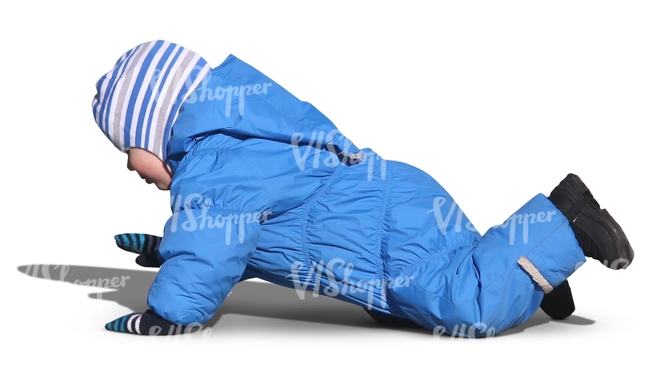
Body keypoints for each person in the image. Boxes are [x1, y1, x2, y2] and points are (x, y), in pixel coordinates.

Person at [92, 40, 634, 337]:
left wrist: (171, 310)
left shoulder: (211, 168)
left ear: (154, 126)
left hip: (380, 233)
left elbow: (214, 243)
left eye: (128, 148)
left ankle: (566, 224)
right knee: (447, 275)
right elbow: (235, 235)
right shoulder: (237, 141)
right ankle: (535, 270)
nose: (130, 165)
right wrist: (173, 248)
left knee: (468, 309)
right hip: (389, 204)